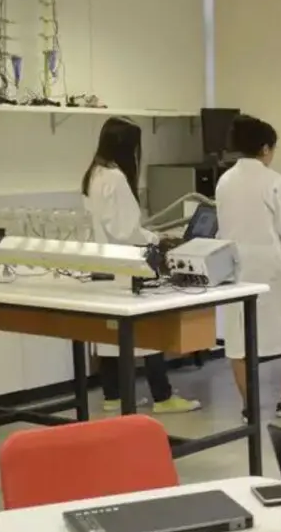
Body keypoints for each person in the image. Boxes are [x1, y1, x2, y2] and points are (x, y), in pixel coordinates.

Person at [79, 117, 200, 415]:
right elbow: (126, 231)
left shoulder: (93, 174)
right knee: (151, 330)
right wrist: (157, 238)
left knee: (109, 334)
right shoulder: (116, 178)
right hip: (125, 264)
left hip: (102, 263)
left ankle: (113, 396)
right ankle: (163, 397)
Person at [216, 114, 281, 419]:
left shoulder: (225, 181)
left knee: (239, 342)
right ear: (265, 148)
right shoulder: (275, 182)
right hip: (274, 272)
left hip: (237, 271)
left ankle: (250, 406)